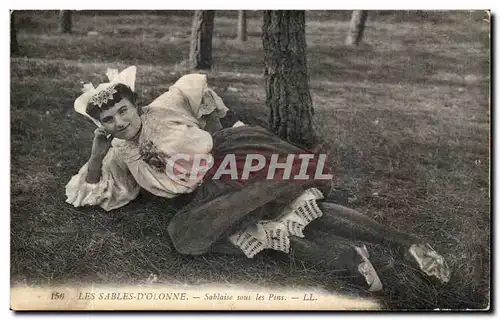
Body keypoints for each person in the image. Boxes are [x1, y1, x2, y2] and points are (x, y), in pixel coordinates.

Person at [66, 66, 450, 292]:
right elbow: (93, 189)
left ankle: (407, 243)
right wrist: (98, 153)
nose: (120, 121)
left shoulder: (163, 107)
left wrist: (223, 133)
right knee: (188, 236)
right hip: (205, 193)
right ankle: (344, 256)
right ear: (100, 126)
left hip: (229, 160)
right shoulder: (117, 152)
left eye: (123, 110)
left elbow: (201, 93)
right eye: (109, 120)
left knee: (293, 204)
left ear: (135, 104)